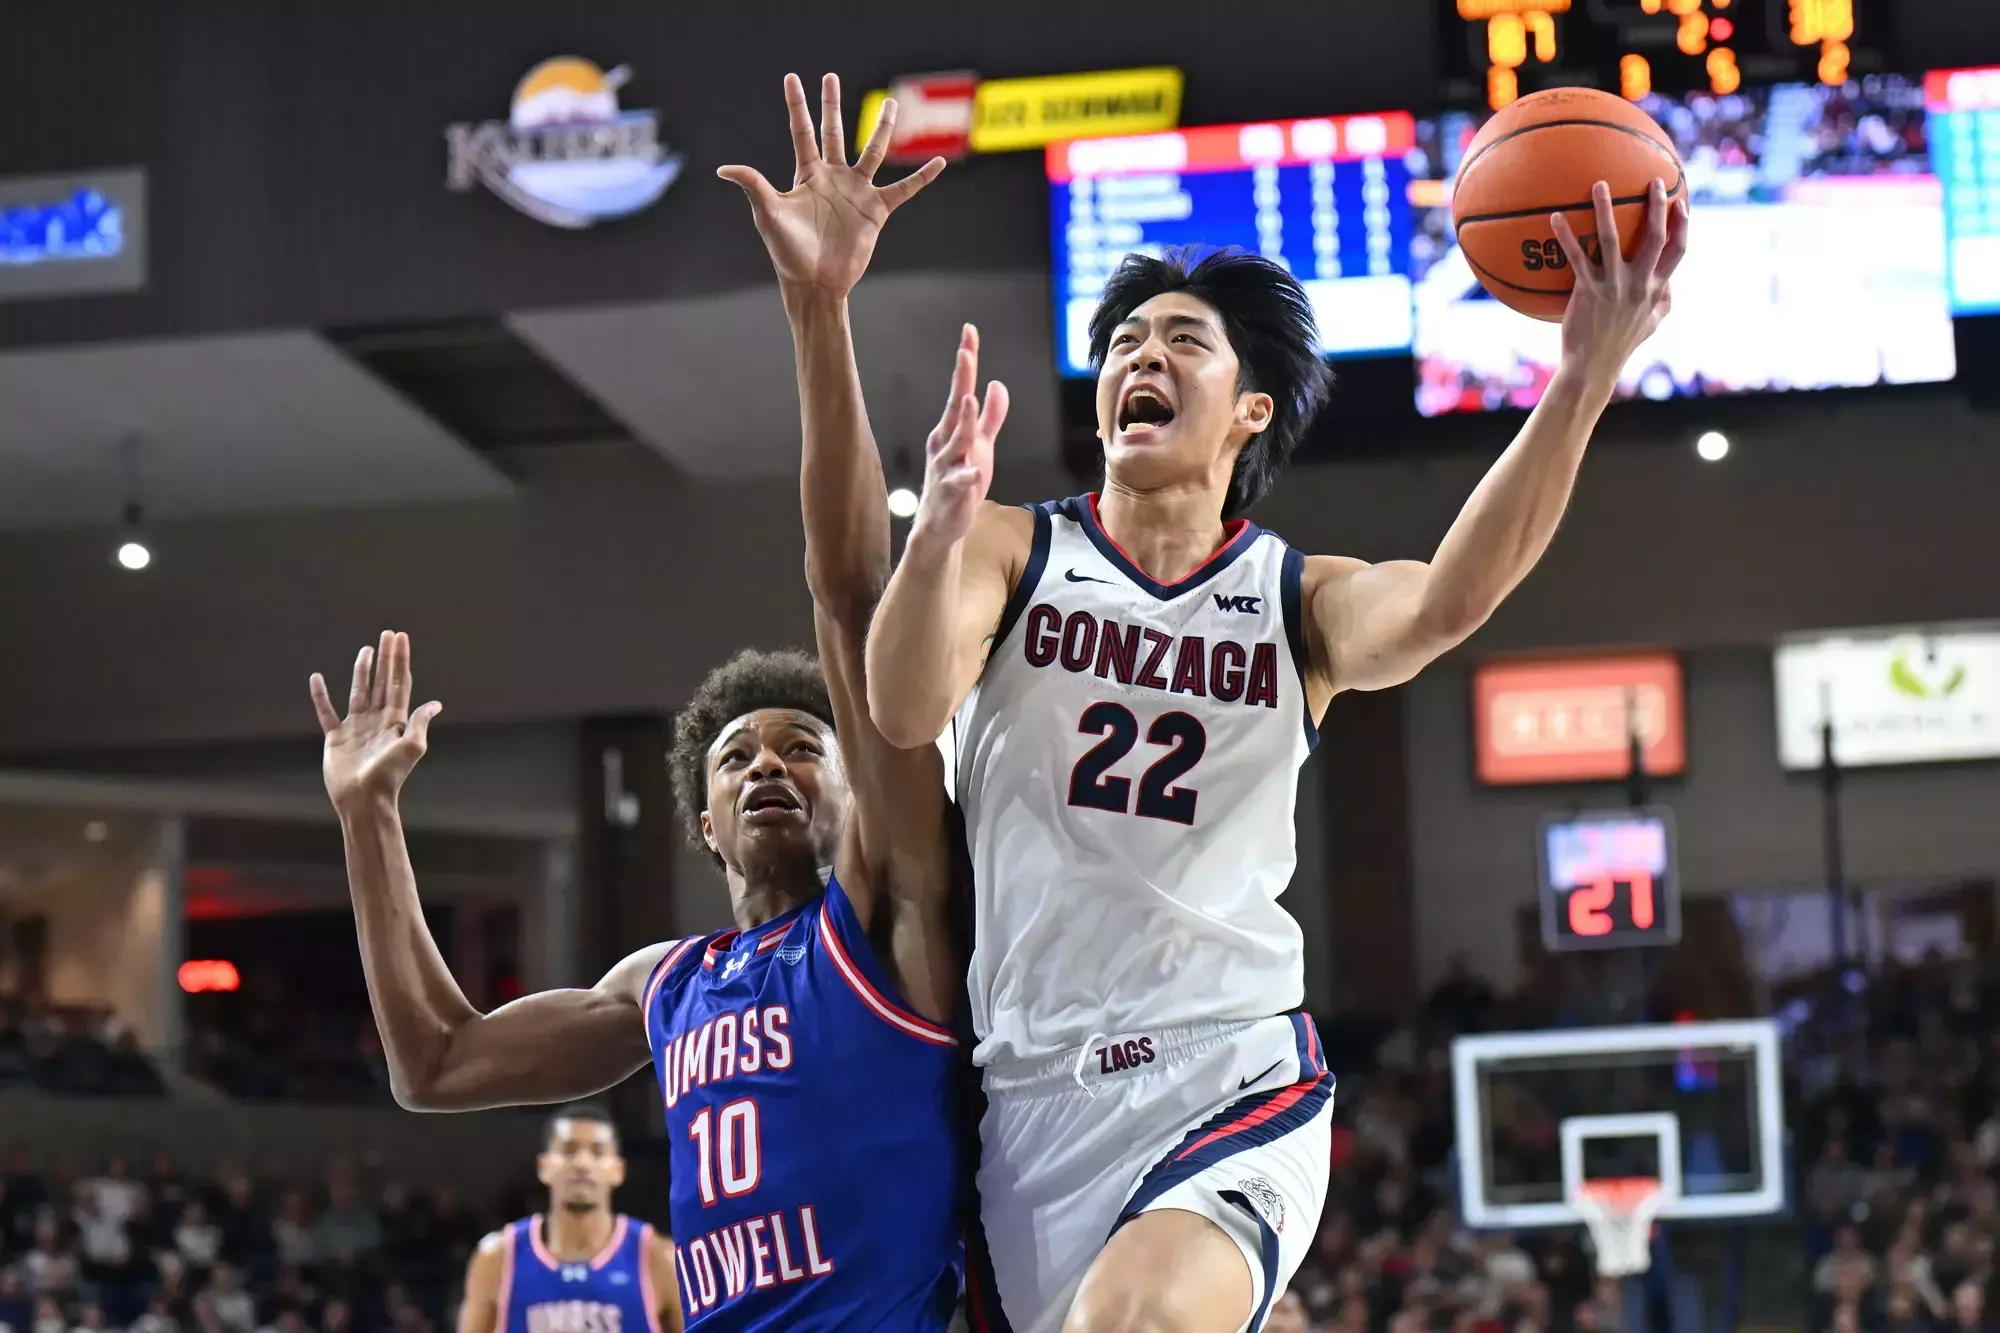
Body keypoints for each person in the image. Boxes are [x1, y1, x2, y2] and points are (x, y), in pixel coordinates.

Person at [859, 146, 1689, 1327]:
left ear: (1251, 409)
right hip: (1029, 1095)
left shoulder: (1291, 598)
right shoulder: (1007, 547)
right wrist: (933, 535)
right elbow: (898, 710)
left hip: (1225, 1071)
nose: (1142, 357)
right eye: (1124, 344)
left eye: (1182, 340)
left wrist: (1583, 374)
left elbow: (1447, 600)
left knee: (1132, 1321)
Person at [309, 81, 962, 1331]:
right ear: (704, 825)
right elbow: (434, 1064)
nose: (768, 766)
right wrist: (367, 818)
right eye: (735, 758)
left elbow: (848, 591)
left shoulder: (887, 912)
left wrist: (816, 308)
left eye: (801, 746)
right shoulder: (665, 984)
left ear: (849, 792)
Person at [456, 1105, 677, 1333]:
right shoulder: (498, 1257)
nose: (582, 1163)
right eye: (568, 1151)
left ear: (618, 1170)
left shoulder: (658, 1258)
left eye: (598, 1152)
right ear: (544, 1167)